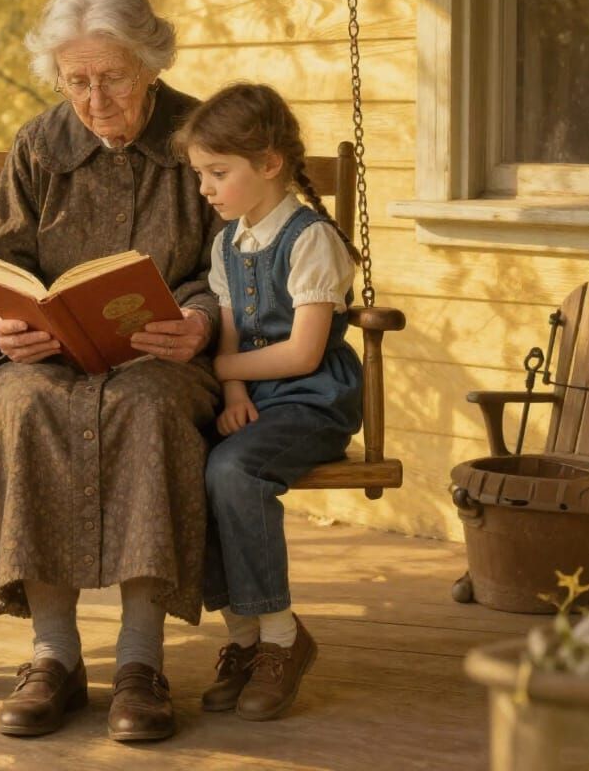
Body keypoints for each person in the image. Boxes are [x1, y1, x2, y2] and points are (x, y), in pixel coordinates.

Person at [0, 0, 222, 743]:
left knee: (148, 406)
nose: (95, 98)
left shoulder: (198, 140)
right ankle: (54, 657)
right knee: (23, 402)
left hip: (162, 357)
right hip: (51, 355)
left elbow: (232, 263)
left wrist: (202, 322)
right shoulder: (39, 145)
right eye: (76, 80)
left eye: (112, 77)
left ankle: (141, 662)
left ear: (150, 63)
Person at [175, 81, 363, 722]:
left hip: (313, 402)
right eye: (201, 174)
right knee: (182, 461)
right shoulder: (228, 243)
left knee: (234, 469)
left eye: (218, 173)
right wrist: (228, 391)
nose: (206, 189)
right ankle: (245, 640)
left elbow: (303, 354)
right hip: (253, 402)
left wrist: (224, 367)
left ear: (270, 163)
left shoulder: (311, 239)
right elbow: (227, 326)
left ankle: (282, 638)